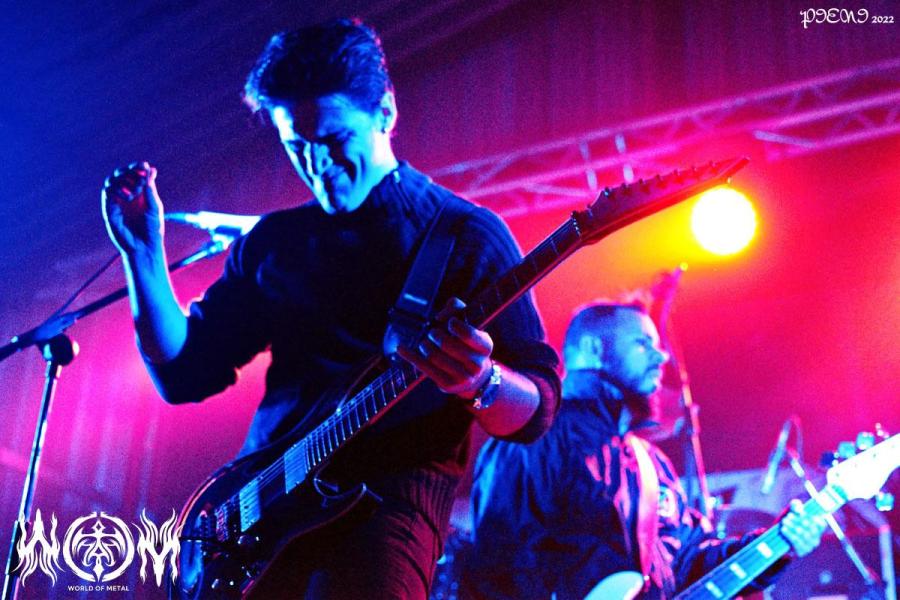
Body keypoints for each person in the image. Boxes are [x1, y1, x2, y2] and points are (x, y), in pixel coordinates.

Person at [100, 18, 560, 600]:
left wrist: (481, 380)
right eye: (296, 146)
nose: (317, 165)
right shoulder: (275, 242)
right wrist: (144, 256)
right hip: (259, 510)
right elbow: (184, 374)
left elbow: (537, 411)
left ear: (385, 113)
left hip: (386, 513)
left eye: (335, 140)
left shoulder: (464, 236)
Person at [464, 300, 827, 599]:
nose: (661, 357)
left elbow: (689, 562)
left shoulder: (653, 464)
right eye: (642, 343)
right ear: (593, 350)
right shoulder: (535, 438)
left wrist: (778, 543)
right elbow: (497, 567)